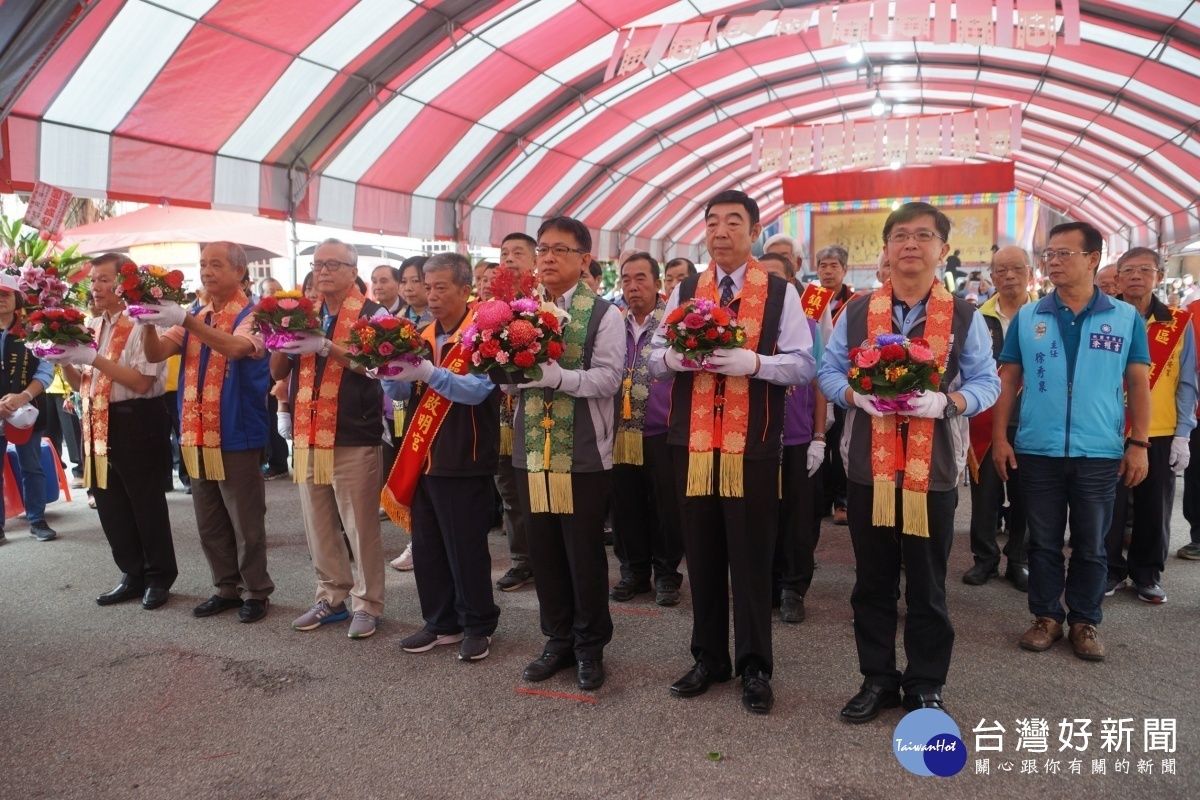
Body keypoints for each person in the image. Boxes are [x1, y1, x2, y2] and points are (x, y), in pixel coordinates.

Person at [818, 201, 1000, 723]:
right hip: (867, 470)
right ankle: (878, 678)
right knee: (872, 581)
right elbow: (828, 373)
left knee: (927, 582)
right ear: (886, 249)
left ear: (943, 249)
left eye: (923, 236)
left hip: (933, 471)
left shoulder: (965, 315)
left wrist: (948, 402)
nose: (910, 245)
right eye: (900, 235)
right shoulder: (856, 311)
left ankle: (925, 683)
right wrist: (855, 398)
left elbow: (986, 383)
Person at [650, 189, 815, 715]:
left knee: (749, 555)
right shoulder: (682, 292)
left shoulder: (781, 292)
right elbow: (653, 360)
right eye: (713, 221)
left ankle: (755, 665)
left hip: (753, 444)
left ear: (754, 229)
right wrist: (676, 357)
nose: (721, 231)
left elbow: (802, 365)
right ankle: (708, 657)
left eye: (733, 222)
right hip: (692, 443)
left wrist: (755, 362)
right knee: (700, 552)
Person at [994, 221, 1151, 663]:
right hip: (1037, 448)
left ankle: (1084, 620)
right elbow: (1008, 381)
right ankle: (1046, 616)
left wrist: (1139, 443)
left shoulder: (1124, 318)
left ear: (1093, 258)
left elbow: (1138, 383)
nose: (1054, 262)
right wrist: (1002, 439)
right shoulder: (1030, 316)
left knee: (1091, 542)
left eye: (1065, 253)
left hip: (1099, 450)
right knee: (1042, 540)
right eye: (1049, 254)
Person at [507, 216, 623, 691]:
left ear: (584, 259)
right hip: (531, 452)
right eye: (543, 249)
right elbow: (508, 378)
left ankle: (590, 645)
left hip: (583, 456)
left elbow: (609, 379)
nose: (549, 258)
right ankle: (556, 640)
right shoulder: (520, 312)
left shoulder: (603, 315)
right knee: (544, 551)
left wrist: (558, 378)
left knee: (583, 553)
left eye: (560, 250)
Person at [141, 241, 274, 623]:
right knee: (209, 518)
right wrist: (148, 321)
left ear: (240, 272)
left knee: (245, 519)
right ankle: (226, 587)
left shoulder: (254, 315)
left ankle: (256, 591)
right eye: (203, 264)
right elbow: (154, 355)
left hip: (237, 430)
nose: (207, 271)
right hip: (195, 430)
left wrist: (184, 320)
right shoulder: (199, 314)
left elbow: (234, 348)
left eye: (216, 264)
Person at [382, 253, 501, 660]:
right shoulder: (418, 334)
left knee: (465, 547)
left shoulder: (480, 335)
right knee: (427, 545)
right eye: (425, 286)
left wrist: (431, 373)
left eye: (440, 287)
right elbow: (403, 396)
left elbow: (480, 390)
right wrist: (386, 375)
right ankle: (440, 622)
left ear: (465, 290)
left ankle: (478, 623)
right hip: (421, 458)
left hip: (462, 457)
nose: (431, 296)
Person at [271, 239, 392, 640]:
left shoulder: (374, 314)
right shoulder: (304, 313)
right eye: (317, 264)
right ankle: (331, 596)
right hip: (307, 433)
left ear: (353, 270)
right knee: (318, 524)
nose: (322, 271)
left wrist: (326, 346)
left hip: (353, 434)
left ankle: (368, 602)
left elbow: (374, 367)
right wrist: (278, 335)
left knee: (359, 525)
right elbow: (277, 371)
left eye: (332, 264)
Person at [54, 253, 174, 609]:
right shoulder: (92, 326)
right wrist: (63, 362)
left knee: (145, 501)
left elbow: (141, 381)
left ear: (126, 283)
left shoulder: (143, 323)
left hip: (136, 417)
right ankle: (132, 574)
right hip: (96, 419)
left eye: (103, 279)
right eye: (92, 281)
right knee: (110, 502)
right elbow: (83, 382)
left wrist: (94, 360)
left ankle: (158, 576)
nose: (95, 287)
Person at [1104, 248, 1196, 604]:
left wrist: (1184, 434)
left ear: (1159, 274)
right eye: (1128, 270)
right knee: (1107, 507)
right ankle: (1109, 569)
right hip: (1108, 426)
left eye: (1145, 270)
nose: (1136, 276)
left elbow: (1187, 382)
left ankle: (1146, 573)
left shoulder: (1178, 321)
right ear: (1118, 277)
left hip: (1159, 430)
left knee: (1153, 506)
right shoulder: (1104, 315)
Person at [608, 252, 683, 607]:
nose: (633, 287)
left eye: (641, 278)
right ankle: (633, 572)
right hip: (620, 432)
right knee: (626, 505)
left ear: (657, 283)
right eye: (626, 280)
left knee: (667, 507)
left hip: (663, 429)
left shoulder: (674, 323)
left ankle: (667, 574)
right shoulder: (612, 323)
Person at [759, 252, 825, 624]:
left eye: (776, 278)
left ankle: (793, 588)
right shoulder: (742, 326)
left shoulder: (809, 327)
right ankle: (764, 583)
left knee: (796, 518)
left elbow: (817, 383)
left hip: (797, 436)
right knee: (760, 514)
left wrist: (819, 436)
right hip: (755, 435)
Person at [965, 247, 1035, 590]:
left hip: (1032, 421)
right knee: (985, 494)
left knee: (1027, 495)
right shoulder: (978, 316)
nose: (1009, 276)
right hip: (987, 421)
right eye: (1002, 271)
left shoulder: (1045, 315)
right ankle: (985, 558)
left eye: (1017, 269)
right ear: (991, 277)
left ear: (1030, 272)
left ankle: (1018, 559)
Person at [493, 232, 540, 591]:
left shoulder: (545, 304)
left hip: (540, 413)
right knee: (508, 489)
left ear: (535, 260)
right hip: (499, 414)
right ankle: (521, 559)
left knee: (537, 488)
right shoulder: (488, 307)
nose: (509, 258)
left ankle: (546, 557)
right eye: (504, 253)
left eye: (518, 252)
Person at [0, 273, 56, 542]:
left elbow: (46, 372)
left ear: (17, 299)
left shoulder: (34, 331)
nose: (0, 299)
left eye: (5, 294)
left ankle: (37, 520)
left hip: (27, 412)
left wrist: (22, 396)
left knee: (32, 467)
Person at [814, 244, 853, 525]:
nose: (828, 271)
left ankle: (842, 500)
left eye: (834, 266)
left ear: (844, 269)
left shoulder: (856, 302)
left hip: (843, 380)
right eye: (823, 266)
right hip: (814, 378)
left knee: (839, 441)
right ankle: (822, 499)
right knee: (818, 439)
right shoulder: (810, 298)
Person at [398, 256, 432, 327]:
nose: (408, 288)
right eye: (403, 281)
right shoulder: (396, 318)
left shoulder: (443, 318)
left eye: (415, 281)